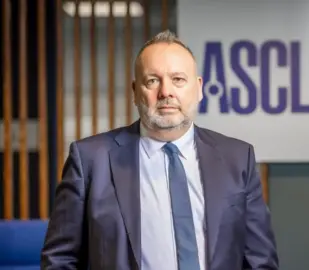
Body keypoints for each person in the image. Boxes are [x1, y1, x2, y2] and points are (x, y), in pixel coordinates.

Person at [40, 30, 279, 270]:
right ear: (135, 91)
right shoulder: (91, 160)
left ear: (198, 88)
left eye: (178, 79)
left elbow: (260, 261)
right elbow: (60, 260)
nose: (166, 92)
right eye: (152, 80)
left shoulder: (237, 158)